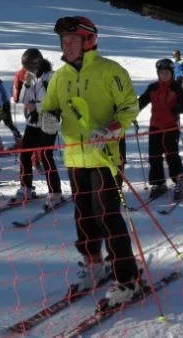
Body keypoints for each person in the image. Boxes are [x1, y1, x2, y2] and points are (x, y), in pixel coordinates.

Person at [40, 16, 141, 307]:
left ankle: (127, 278)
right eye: (63, 42)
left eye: (72, 41)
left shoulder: (110, 71)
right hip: (74, 156)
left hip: (105, 156)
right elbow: (50, 108)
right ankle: (94, 263)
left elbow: (129, 106)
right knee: (83, 215)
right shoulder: (60, 76)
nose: (66, 46)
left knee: (107, 214)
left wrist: (112, 127)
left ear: (88, 41)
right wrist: (47, 119)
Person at [14, 48, 64, 208]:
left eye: (31, 67)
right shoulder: (29, 77)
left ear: (38, 64)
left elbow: (58, 99)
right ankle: (26, 187)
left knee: (45, 154)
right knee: (24, 154)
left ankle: (55, 192)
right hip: (33, 120)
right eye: (26, 68)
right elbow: (21, 99)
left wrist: (41, 108)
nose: (28, 71)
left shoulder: (51, 76)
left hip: (49, 118)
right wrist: (26, 85)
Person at [138, 58, 183, 202]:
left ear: (172, 73)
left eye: (166, 72)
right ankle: (158, 183)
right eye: (161, 72)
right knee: (154, 156)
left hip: (171, 127)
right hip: (155, 127)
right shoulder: (153, 87)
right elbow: (141, 102)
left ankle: (180, 181)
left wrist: (178, 108)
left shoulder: (176, 87)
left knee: (171, 155)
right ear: (158, 73)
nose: (164, 75)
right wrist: (131, 113)